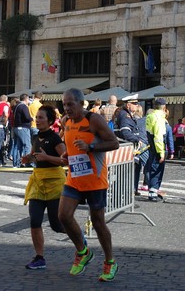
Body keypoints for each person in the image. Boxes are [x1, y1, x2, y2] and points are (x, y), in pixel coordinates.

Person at [58, 88, 120, 282]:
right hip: (75, 178)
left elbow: (114, 143)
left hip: (95, 180)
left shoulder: (93, 120)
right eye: (64, 104)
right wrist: (68, 155)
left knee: (98, 222)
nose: (67, 108)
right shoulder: (65, 122)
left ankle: (110, 262)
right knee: (63, 215)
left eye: (70, 104)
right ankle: (83, 252)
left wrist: (91, 147)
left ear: (81, 103)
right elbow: (71, 144)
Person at [21, 105, 67, 270]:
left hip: (54, 182)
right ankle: (39, 258)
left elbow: (65, 160)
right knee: (35, 221)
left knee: (56, 225)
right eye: (37, 117)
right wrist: (28, 159)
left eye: (41, 118)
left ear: (49, 121)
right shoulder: (36, 137)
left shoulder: (55, 139)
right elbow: (35, 155)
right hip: (38, 182)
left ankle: (77, 237)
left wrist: (47, 157)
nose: (37, 120)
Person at [116, 95, 147, 196]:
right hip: (125, 148)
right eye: (134, 103)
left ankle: (132, 189)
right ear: (128, 105)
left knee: (135, 167)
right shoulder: (125, 115)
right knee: (125, 172)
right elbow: (125, 132)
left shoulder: (129, 114)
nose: (137, 105)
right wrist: (137, 139)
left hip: (130, 148)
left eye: (137, 103)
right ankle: (123, 192)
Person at [145, 98, 168, 202]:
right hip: (157, 147)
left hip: (151, 145)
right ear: (164, 107)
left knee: (152, 168)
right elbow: (158, 136)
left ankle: (152, 191)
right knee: (157, 170)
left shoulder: (150, 116)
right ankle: (153, 193)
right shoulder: (159, 118)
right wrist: (161, 152)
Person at [13, 94, 33, 168]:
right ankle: (28, 162)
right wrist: (32, 118)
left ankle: (16, 163)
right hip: (23, 127)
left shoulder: (16, 106)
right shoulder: (23, 106)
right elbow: (27, 117)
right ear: (26, 99)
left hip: (16, 127)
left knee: (18, 146)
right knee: (27, 145)